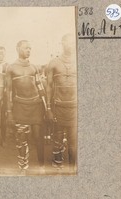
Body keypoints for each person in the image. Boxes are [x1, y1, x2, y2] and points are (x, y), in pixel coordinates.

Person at [6, 40, 46, 175]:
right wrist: (9, 111)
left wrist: (46, 107)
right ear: (17, 49)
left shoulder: (34, 67)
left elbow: (40, 87)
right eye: (25, 48)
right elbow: (9, 91)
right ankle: (23, 168)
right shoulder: (10, 68)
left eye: (30, 48)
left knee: (38, 137)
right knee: (21, 139)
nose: (28, 50)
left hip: (36, 105)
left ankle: (42, 167)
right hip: (20, 106)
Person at [46, 34, 77, 173]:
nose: (70, 45)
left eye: (72, 42)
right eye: (68, 42)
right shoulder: (53, 63)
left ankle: (73, 171)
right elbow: (49, 87)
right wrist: (48, 108)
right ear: (62, 43)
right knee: (57, 141)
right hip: (58, 108)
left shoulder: (79, 60)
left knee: (73, 143)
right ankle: (57, 170)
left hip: (75, 109)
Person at [0, 46, 10, 147]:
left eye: (2, 53)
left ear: (5, 54)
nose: (0, 54)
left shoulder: (8, 65)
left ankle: (4, 139)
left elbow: (9, 81)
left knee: (3, 118)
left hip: (4, 94)